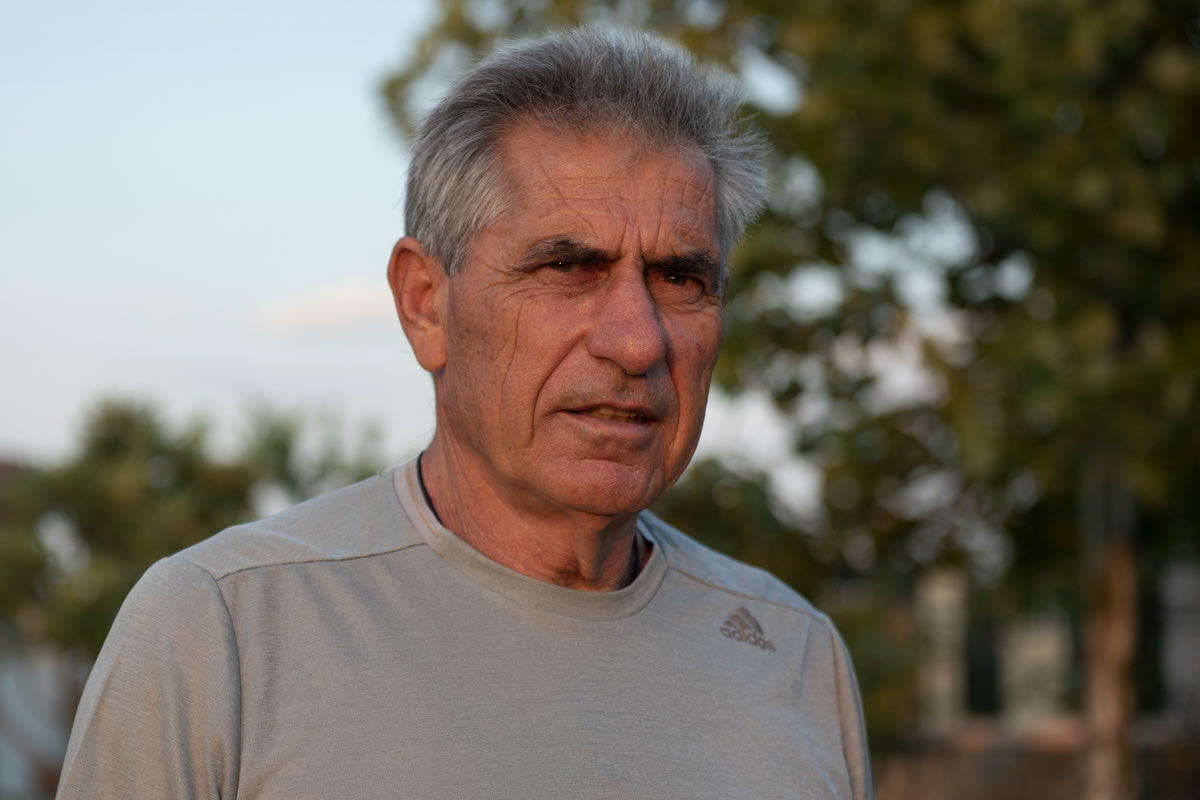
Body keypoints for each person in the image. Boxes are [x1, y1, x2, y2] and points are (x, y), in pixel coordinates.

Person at [56, 27, 872, 799]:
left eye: (681, 279)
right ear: (425, 304)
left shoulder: (793, 655)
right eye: (567, 268)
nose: (637, 341)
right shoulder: (225, 627)